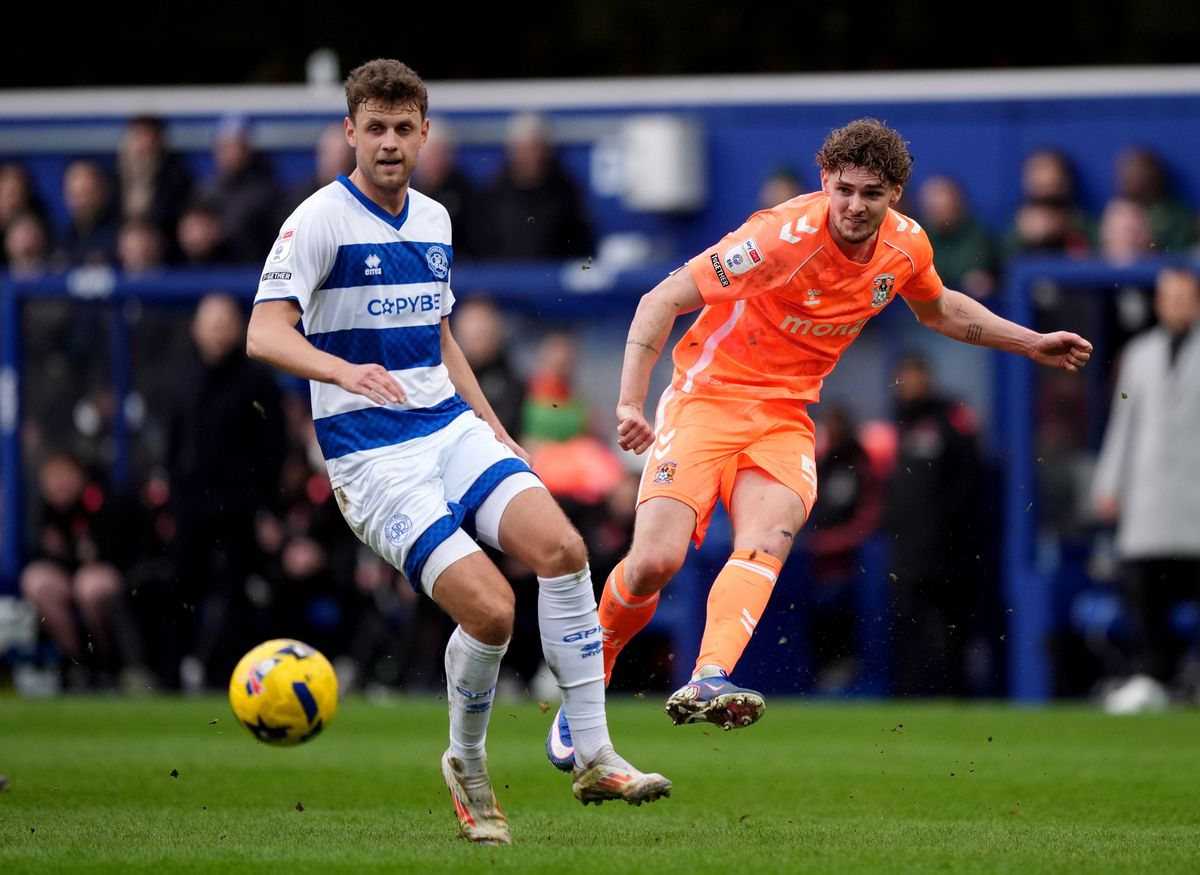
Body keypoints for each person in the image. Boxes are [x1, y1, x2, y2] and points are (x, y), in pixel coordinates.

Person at [547, 117, 1092, 752]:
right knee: (654, 564)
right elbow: (660, 300)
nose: (856, 206)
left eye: (872, 194)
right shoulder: (777, 238)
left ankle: (708, 677)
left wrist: (1030, 342)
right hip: (707, 400)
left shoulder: (907, 247)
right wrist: (629, 402)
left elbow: (940, 309)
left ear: (895, 195)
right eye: (845, 190)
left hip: (784, 415)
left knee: (768, 536)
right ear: (825, 181)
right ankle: (588, 681)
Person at [245, 58, 669, 846]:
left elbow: (440, 336)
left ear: (424, 133)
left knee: (566, 550)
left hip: (448, 425)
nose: (390, 142)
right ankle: (467, 763)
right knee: (491, 609)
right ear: (350, 132)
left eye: (404, 128)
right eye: (375, 127)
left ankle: (596, 753)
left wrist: (496, 425)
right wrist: (345, 371)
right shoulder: (317, 221)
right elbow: (262, 331)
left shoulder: (435, 219)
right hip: (370, 456)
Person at [1091, 266, 1200, 712]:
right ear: (1158, 303)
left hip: (1195, 497)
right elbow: (1124, 424)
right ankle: (1154, 677)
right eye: (1168, 297)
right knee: (1143, 592)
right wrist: (1109, 483)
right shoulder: (1139, 353)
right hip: (1149, 496)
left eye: (1185, 297)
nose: (1175, 305)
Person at [167, 292, 286, 692]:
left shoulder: (258, 382)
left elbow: (274, 449)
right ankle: (172, 674)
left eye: (225, 323)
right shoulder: (181, 379)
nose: (218, 332)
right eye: (211, 323)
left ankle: (233, 675)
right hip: (189, 505)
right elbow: (173, 444)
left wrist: (267, 507)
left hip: (239, 507)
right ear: (195, 330)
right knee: (183, 587)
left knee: (236, 591)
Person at [880, 352, 985, 697]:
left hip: (948, 550)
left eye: (915, 375)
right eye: (903, 377)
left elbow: (970, 477)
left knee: (949, 627)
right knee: (907, 626)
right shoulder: (896, 424)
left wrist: (948, 524)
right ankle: (909, 696)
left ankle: (952, 695)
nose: (908, 385)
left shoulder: (951, 416)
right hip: (906, 550)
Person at [474, 110, 594, 260]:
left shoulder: (565, 194)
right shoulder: (494, 195)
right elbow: (481, 246)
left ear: (546, 151)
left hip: (550, 278)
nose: (528, 157)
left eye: (534, 148)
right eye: (522, 149)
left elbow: (579, 247)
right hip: (502, 278)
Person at [195, 114, 284, 263]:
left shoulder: (265, 189)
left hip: (249, 268)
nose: (231, 153)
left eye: (236, 146)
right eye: (225, 146)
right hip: (209, 267)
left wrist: (219, 232)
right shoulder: (206, 188)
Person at [115, 113, 195, 262]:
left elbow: (174, 218)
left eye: (149, 135)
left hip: (163, 248)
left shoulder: (176, 176)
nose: (144, 141)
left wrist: (149, 237)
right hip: (123, 244)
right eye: (139, 134)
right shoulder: (116, 174)